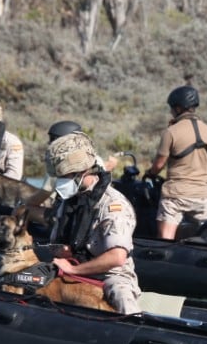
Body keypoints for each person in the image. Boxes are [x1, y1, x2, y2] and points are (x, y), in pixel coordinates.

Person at [45, 132, 142, 314]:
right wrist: (61, 251)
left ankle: (136, 326)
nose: (60, 182)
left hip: (109, 274)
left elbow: (117, 257)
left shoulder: (113, 205)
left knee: (121, 295)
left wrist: (74, 270)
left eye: (65, 176)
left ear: (82, 172)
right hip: (70, 265)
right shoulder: (69, 201)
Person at [145, 84, 207, 240]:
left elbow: (158, 166)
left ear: (178, 108)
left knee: (165, 238)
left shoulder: (171, 132)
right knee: (204, 239)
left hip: (176, 195)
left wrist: (149, 173)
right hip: (202, 195)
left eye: (172, 108)